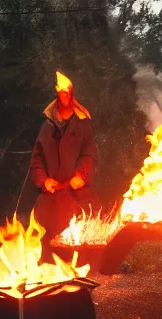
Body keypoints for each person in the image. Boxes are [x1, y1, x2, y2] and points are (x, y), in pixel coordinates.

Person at [28, 71, 101, 260]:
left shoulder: (82, 124)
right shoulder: (47, 126)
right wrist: (43, 180)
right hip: (51, 194)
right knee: (44, 227)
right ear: (57, 95)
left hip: (75, 192)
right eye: (61, 92)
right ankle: (47, 267)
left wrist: (81, 175)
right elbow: (37, 159)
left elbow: (90, 154)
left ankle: (78, 266)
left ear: (72, 94)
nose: (65, 96)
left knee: (77, 225)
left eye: (68, 92)